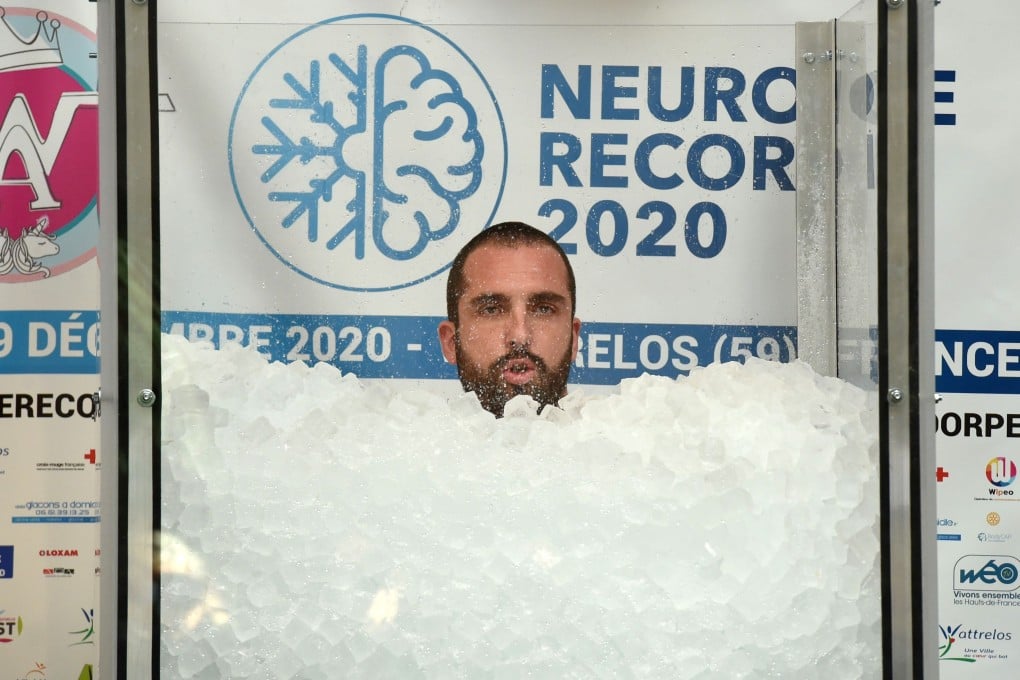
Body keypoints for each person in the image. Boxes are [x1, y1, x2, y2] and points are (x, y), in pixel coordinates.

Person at [438, 221, 581, 417]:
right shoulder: (408, 444)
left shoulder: (621, 441)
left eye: (544, 309)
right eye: (491, 310)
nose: (520, 336)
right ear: (451, 343)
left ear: (573, 339)